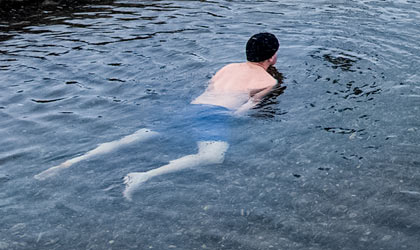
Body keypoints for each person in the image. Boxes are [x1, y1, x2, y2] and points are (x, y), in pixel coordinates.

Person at [36, 33, 282, 198]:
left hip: (192, 107)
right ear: (272, 57)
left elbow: (209, 88)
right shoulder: (268, 79)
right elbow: (245, 109)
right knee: (211, 157)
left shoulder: (227, 67)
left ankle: (77, 159)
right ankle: (143, 175)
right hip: (215, 115)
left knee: (138, 137)